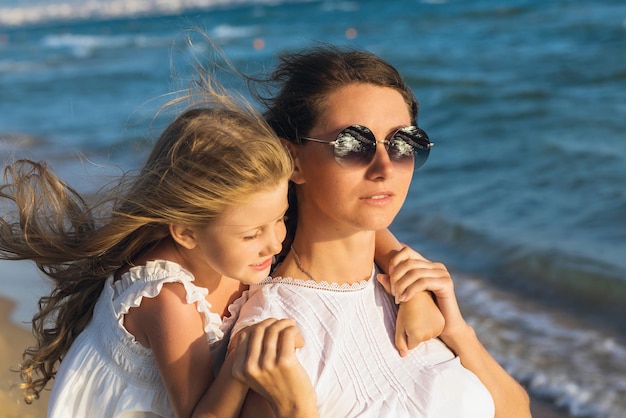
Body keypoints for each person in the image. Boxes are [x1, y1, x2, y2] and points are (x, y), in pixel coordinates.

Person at [232, 45, 532, 417]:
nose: (384, 167)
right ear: (293, 160)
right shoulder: (274, 330)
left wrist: (457, 331)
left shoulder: (410, 292)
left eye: (403, 143)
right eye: (353, 144)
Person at [0, 87, 318, 417]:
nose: (275, 242)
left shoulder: (227, 247)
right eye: (252, 234)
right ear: (185, 232)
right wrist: (237, 368)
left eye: (280, 217)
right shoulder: (168, 300)